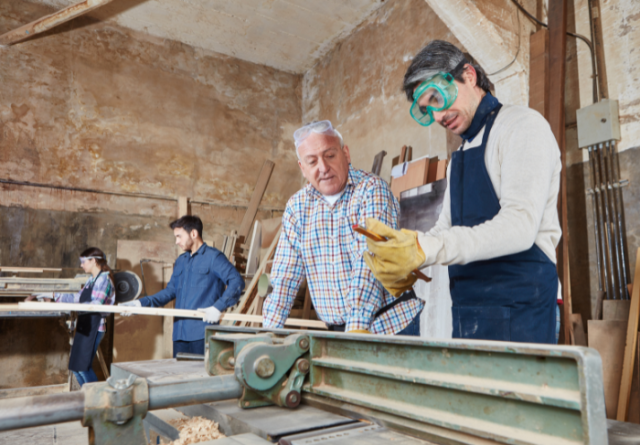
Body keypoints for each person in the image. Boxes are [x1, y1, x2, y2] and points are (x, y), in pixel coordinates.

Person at [363, 40, 561, 343]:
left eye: (437, 98)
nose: (438, 116)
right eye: (428, 110)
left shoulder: (522, 126)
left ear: (469, 76)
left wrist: (427, 249)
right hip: (469, 311)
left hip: (521, 308)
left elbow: (520, 226)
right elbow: (446, 228)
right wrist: (409, 251)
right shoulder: (460, 156)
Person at [262, 120, 424, 335]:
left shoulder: (371, 190)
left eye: (330, 156)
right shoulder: (297, 207)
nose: (323, 168)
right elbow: (285, 276)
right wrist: (268, 334)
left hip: (389, 325)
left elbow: (369, 263)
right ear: (302, 168)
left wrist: (356, 329)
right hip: (340, 332)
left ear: (345, 154)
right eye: (312, 161)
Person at [121, 215, 244, 356]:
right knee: (180, 376)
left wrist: (218, 307)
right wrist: (140, 304)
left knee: (200, 377)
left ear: (193, 233)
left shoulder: (213, 257)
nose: (176, 241)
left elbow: (237, 282)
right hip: (179, 334)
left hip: (201, 334)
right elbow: (170, 292)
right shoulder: (181, 261)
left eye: (179, 236)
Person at [27, 247, 116, 386]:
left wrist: (74, 305)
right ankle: (85, 396)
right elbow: (76, 298)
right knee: (75, 368)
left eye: (83, 261)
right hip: (84, 325)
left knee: (83, 368)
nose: (81, 265)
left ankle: (95, 398)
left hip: (94, 327)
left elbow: (96, 304)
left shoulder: (104, 280)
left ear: (93, 261)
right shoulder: (91, 280)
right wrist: (50, 294)